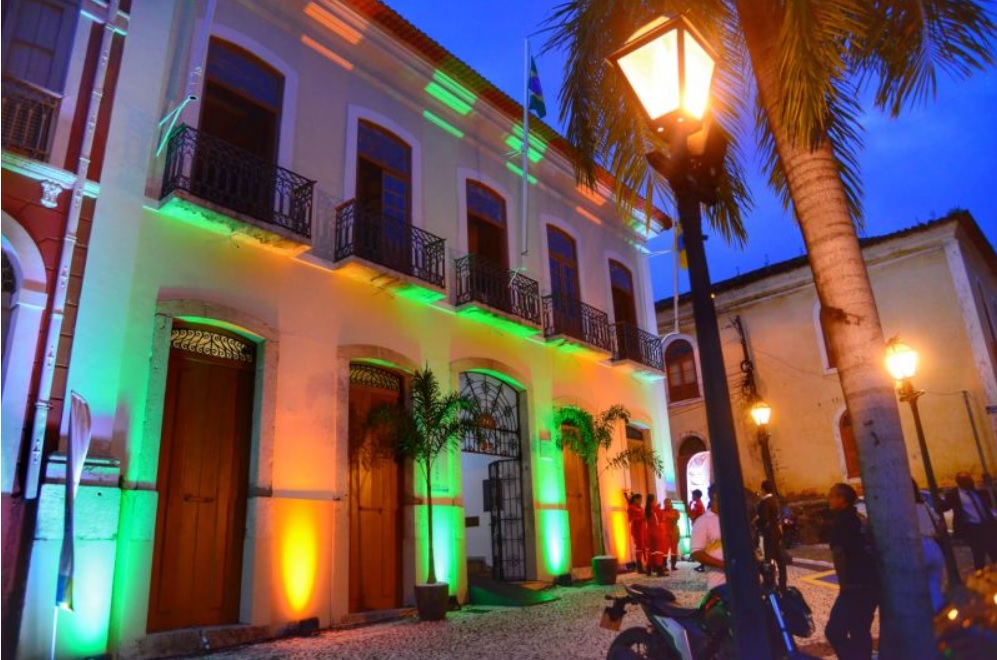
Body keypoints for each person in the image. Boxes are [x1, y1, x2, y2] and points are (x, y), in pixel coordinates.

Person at [825, 483, 879, 660]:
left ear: (842, 499)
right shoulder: (860, 518)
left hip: (854, 583)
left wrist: (844, 584)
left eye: (832, 495)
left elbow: (839, 553)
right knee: (860, 630)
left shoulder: (841, 522)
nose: (829, 499)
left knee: (834, 630)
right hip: (871, 581)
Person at [943, 471, 997, 570]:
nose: (971, 482)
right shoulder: (954, 495)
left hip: (987, 526)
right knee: (979, 555)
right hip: (973, 528)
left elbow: (989, 507)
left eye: (970, 480)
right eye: (967, 481)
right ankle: (981, 576)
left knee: (994, 552)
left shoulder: (979, 492)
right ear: (960, 483)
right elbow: (945, 508)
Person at [913, 479, 945, 611]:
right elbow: (940, 523)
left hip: (915, 548)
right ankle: (939, 615)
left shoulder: (900, 509)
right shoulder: (924, 505)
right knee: (935, 587)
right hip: (933, 546)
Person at [690, 484, 726, 591]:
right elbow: (696, 553)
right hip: (720, 584)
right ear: (715, 496)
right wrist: (724, 565)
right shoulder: (702, 521)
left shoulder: (733, 518)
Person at [756, 480, 787, 589]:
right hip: (776, 532)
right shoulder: (774, 500)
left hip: (768, 534)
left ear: (763, 489)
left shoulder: (765, 502)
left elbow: (763, 519)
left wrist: (756, 522)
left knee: (768, 559)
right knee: (779, 559)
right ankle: (782, 582)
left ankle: (770, 582)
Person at [645, 494, 668, 576]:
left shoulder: (647, 509)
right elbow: (661, 518)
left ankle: (648, 569)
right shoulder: (655, 508)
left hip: (649, 532)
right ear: (653, 500)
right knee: (659, 551)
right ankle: (659, 570)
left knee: (651, 551)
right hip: (657, 531)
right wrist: (658, 508)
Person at [626, 492, 647, 574]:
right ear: (635, 499)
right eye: (640, 500)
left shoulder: (640, 508)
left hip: (643, 528)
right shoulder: (631, 507)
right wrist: (641, 519)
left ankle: (644, 565)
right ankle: (639, 567)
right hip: (637, 529)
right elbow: (630, 519)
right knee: (639, 547)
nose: (641, 501)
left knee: (643, 547)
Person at [689, 489, 707, 572]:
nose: (692, 497)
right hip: (700, 526)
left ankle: (703, 564)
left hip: (698, 526)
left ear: (696, 496)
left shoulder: (697, 505)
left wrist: (689, 507)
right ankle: (703, 564)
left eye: (693, 495)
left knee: (700, 546)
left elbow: (692, 516)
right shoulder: (700, 504)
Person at [661, 498, 681, 571]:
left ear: (671, 503)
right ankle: (664, 565)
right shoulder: (661, 511)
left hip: (674, 532)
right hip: (665, 533)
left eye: (668, 502)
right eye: (666, 503)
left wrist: (670, 518)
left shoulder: (675, 511)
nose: (667, 504)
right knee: (664, 550)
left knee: (674, 549)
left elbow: (677, 517)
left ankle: (673, 565)